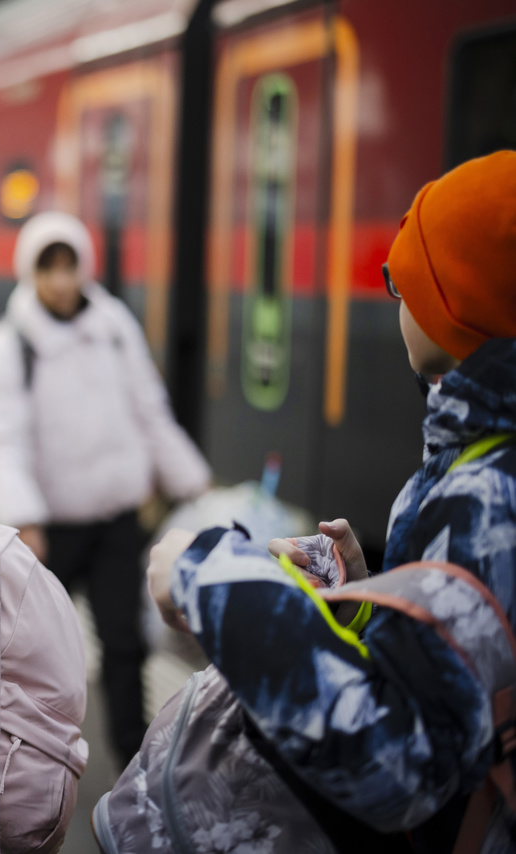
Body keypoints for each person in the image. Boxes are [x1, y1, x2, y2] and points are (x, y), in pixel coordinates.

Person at [145, 150, 516, 849]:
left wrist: (207, 574)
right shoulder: (487, 459)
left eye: (404, 283)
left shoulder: (487, 492)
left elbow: (395, 762)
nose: (397, 299)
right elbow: (469, 669)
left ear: (455, 304)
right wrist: (386, 596)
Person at [0, 210, 209, 763]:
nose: (59, 280)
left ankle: (136, 768)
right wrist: (23, 517)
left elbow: (150, 410)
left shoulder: (114, 328)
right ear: (30, 272)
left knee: (125, 647)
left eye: (68, 266)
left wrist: (192, 483)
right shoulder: (9, 345)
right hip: (50, 530)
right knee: (36, 652)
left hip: (117, 523)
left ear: (84, 268)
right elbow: (2, 440)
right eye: (46, 268)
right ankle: (27, 765)